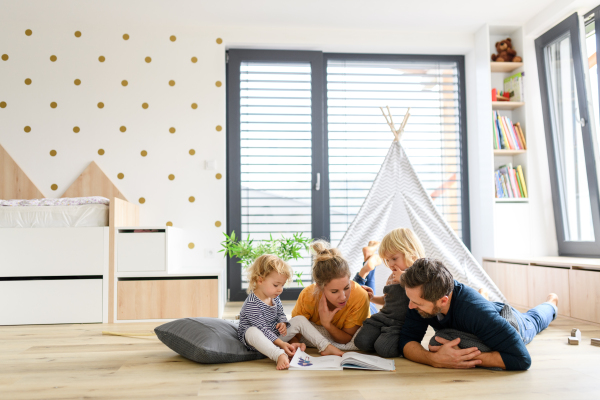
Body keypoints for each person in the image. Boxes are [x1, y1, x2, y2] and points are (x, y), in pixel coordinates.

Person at [397, 258, 558, 371]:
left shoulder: (474, 311)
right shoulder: (418, 297)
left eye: (417, 304)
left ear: (443, 301)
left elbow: (522, 359)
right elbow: (407, 340)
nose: (410, 306)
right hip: (481, 316)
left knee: (535, 320)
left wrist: (460, 358)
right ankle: (484, 296)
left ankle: (551, 303)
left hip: (510, 319)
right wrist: (433, 359)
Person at [238, 254, 344, 370]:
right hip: (259, 342)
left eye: (282, 285)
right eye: (276, 285)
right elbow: (263, 330)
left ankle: (324, 346)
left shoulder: (274, 297)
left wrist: (282, 322)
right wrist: (282, 344)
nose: (280, 289)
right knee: (251, 331)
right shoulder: (252, 304)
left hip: (275, 337)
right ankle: (279, 355)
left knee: (300, 319)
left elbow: (280, 314)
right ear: (260, 280)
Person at [354, 228, 425, 357]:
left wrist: (403, 278)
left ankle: (385, 340)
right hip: (385, 317)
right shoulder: (392, 276)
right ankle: (380, 338)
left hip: (402, 323)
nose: (391, 264)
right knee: (361, 342)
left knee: (385, 349)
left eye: (394, 258)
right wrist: (372, 298)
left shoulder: (419, 273)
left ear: (410, 252)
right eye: (387, 260)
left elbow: (423, 293)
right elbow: (387, 300)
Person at [291, 240, 371, 346]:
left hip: (365, 306)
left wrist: (326, 324)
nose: (343, 297)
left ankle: (368, 264)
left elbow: (347, 339)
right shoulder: (308, 296)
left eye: (347, 287)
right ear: (319, 287)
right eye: (334, 291)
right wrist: (294, 344)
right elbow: (294, 331)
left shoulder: (360, 295)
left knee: (366, 289)